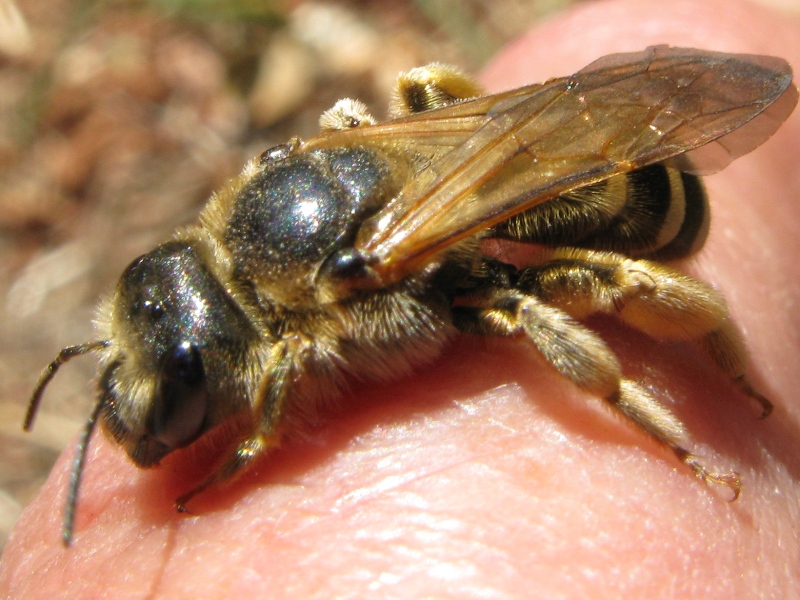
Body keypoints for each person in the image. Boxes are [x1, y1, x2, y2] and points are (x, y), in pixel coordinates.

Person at [2, 0, 798, 595]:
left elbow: (282, 368)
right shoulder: (263, 214)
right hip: (521, 147)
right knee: (415, 94)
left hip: (633, 193)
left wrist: (252, 449)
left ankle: (682, 430)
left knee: (563, 297)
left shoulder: (337, 282)